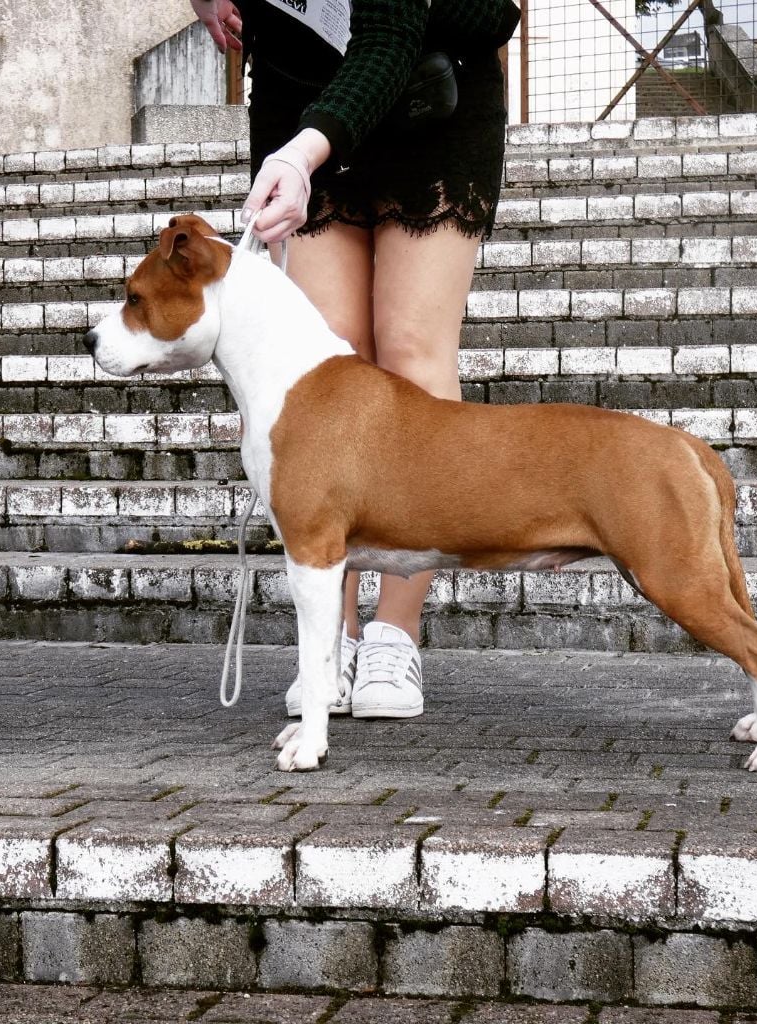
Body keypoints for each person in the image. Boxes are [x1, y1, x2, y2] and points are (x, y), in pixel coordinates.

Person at [190, 0, 520, 720]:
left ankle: (395, 632)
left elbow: (387, 37)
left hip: (431, 93)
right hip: (302, 90)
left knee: (410, 347)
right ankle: (327, 640)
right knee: (325, 353)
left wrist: (299, 157)